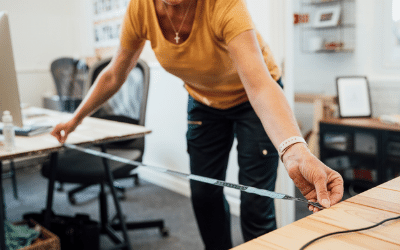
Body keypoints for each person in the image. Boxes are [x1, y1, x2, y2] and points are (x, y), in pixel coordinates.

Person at [51, 0, 344, 249]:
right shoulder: (140, 8)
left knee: (255, 202)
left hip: (252, 97)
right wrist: (75, 119)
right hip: (203, 101)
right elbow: (115, 73)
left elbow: (260, 86)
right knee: (204, 195)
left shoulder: (224, 6)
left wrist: (295, 150)